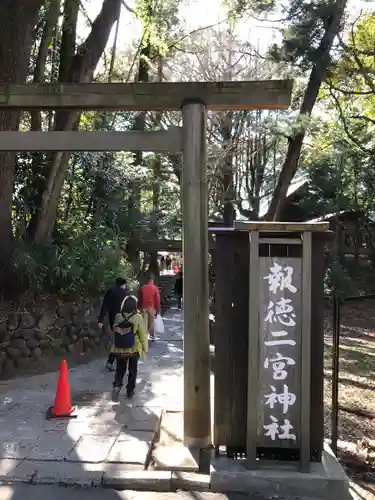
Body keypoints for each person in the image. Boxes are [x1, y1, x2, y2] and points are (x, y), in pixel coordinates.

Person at [111, 295, 148, 402]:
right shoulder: (138, 317)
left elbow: (115, 331)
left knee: (120, 369)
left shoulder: (118, 316)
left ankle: (117, 386)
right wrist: (145, 349)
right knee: (133, 370)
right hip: (134, 348)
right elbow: (143, 335)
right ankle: (130, 390)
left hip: (120, 348)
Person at [98, 277, 130, 371]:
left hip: (113, 319)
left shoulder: (110, 291)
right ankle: (111, 361)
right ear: (123, 284)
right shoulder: (124, 293)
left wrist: (101, 320)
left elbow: (105, 306)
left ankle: (113, 361)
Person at [139, 274, 161, 341]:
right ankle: (152, 336)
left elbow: (140, 298)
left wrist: (139, 307)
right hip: (151, 307)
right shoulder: (155, 288)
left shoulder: (143, 288)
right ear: (152, 280)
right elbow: (157, 300)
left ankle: (144, 337)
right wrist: (158, 310)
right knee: (152, 322)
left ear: (147, 280)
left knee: (144, 323)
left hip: (144, 307)